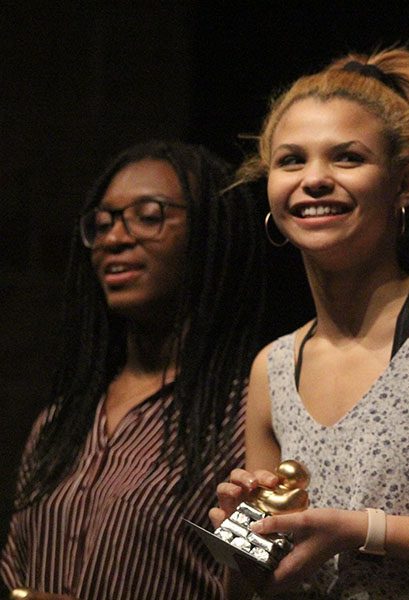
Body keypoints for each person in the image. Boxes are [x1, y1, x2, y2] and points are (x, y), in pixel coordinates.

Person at [210, 47, 409, 599]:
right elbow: (251, 588)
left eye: (347, 158)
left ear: (402, 184)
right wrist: (246, 537)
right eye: (290, 161)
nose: (314, 179)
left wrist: (359, 530)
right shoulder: (274, 367)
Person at [1, 141, 268, 599]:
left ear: (209, 233)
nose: (114, 238)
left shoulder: (249, 416)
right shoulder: (60, 424)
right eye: (101, 224)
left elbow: (259, 584)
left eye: (148, 215)